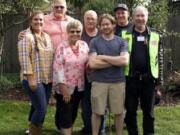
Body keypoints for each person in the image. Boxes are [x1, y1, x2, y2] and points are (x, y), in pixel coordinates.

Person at [121, 6, 163, 135]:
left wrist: (159, 82)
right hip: (130, 79)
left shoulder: (156, 35)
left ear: (147, 17)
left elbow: (160, 58)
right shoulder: (124, 34)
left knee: (149, 112)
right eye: (137, 16)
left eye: (142, 15)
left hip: (149, 80)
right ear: (132, 17)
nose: (140, 18)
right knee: (131, 111)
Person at [89, 14, 129, 135]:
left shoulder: (121, 41)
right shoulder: (94, 42)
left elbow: (125, 61)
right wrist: (116, 61)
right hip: (99, 81)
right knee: (97, 112)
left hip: (117, 82)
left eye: (108, 24)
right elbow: (92, 64)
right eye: (103, 24)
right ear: (100, 26)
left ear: (113, 25)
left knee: (119, 112)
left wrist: (103, 57)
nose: (105, 26)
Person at [17, 10, 53, 135]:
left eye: (41, 20)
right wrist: (30, 77)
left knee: (37, 106)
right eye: (36, 19)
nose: (38, 22)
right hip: (34, 78)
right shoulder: (26, 37)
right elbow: (24, 58)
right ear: (31, 21)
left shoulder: (46, 36)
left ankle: (35, 129)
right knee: (41, 108)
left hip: (46, 78)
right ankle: (33, 131)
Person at [53, 19, 89, 135]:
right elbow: (58, 68)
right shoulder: (61, 47)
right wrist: (64, 90)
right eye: (72, 31)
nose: (75, 34)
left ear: (81, 32)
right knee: (66, 112)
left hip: (79, 86)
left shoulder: (84, 45)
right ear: (67, 32)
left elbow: (88, 63)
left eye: (78, 31)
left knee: (73, 112)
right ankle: (66, 131)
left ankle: (61, 127)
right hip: (65, 87)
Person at [81, 10, 106, 135]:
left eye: (93, 19)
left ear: (97, 21)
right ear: (84, 19)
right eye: (88, 18)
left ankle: (101, 129)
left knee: (100, 104)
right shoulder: (79, 33)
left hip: (100, 75)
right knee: (86, 105)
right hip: (82, 76)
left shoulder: (102, 34)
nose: (90, 21)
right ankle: (88, 128)